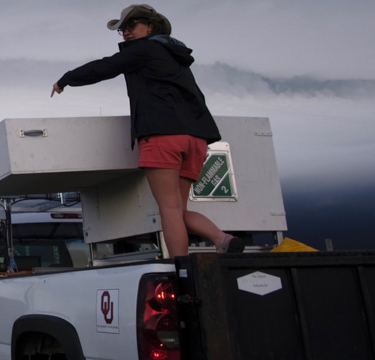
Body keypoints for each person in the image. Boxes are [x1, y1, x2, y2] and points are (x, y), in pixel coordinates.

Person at [50, 4, 244, 256]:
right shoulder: (176, 56)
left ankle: (180, 270)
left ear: (149, 26)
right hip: (196, 138)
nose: (126, 33)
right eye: (122, 30)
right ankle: (222, 239)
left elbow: (105, 67)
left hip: (163, 135)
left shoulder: (144, 49)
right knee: (178, 209)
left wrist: (66, 79)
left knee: (169, 210)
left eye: (131, 26)